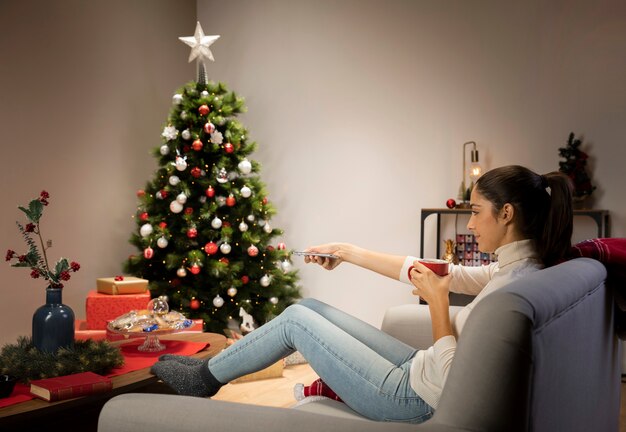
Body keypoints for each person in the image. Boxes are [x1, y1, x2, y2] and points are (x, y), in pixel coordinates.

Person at [151, 165, 574, 424]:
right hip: (419, 372)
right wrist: (347, 252)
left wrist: (438, 303)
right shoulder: (519, 269)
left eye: (476, 212)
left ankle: (203, 380)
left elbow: (449, 383)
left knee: (298, 322)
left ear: (507, 213)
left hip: (416, 398)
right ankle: (211, 371)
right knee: (310, 307)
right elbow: (443, 270)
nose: (468, 225)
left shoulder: (512, 288)